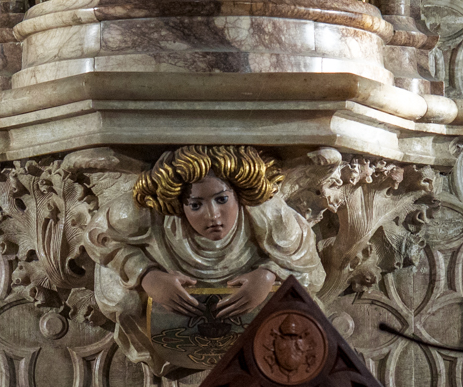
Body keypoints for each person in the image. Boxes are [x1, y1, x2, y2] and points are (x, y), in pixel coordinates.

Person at [88, 146, 325, 371]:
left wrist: (269, 274)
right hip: (168, 336)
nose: (212, 215)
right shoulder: (146, 212)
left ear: (239, 195)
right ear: (179, 203)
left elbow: (308, 263)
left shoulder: (267, 212)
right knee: (124, 301)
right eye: (195, 205)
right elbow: (98, 238)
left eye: (222, 200)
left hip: (255, 342)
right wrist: (146, 275)